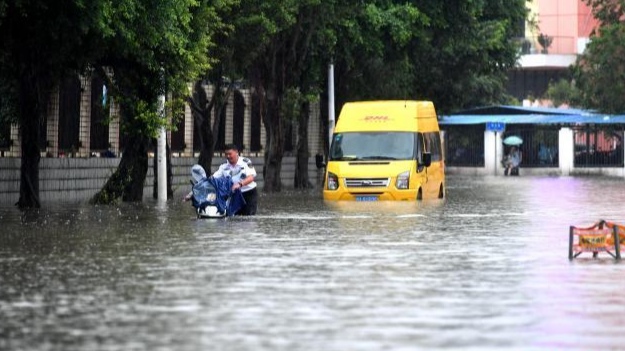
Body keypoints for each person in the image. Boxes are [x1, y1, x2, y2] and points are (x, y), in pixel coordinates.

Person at [212, 143, 258, 215]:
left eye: (230, 154)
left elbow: (251, 177)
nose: (228, 156)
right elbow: (213, 178)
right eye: (226, 154)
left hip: (248, 193)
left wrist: (240, 184)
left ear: (236, 152)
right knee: (234, 218)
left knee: (249, 218)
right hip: (234, 195)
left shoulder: (246, 162)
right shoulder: (223, 166)